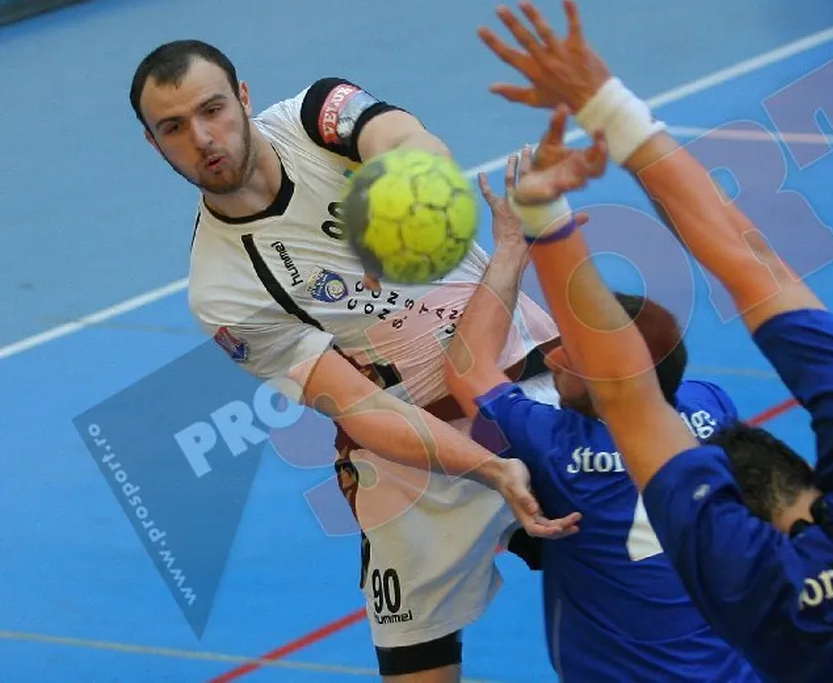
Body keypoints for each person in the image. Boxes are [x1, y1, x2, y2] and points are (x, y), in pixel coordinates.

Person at [476, 0, 833, 683]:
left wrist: (543, 217)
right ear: (811, 474)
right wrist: (607, 107)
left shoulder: (757, 593)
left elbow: (626, 398)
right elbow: (756, 268)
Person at [128, 39, 581, 682]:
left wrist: (390, 212)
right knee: (417, 669)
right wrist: (491, 468)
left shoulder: (317, 115)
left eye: (213, 109)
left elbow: (415, 146)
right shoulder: (221, 289)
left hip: (532, 391)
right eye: (173, 127)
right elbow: (359, 408)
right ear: (153, 143)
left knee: (656, 601)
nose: (203, 138)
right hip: (415, 459)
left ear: (244, 98)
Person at [441, 122, 760, 682]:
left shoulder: (557, 445)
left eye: (572, 358)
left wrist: (513, 249)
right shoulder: (711, 405)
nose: (553, 357)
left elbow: (467, 367)